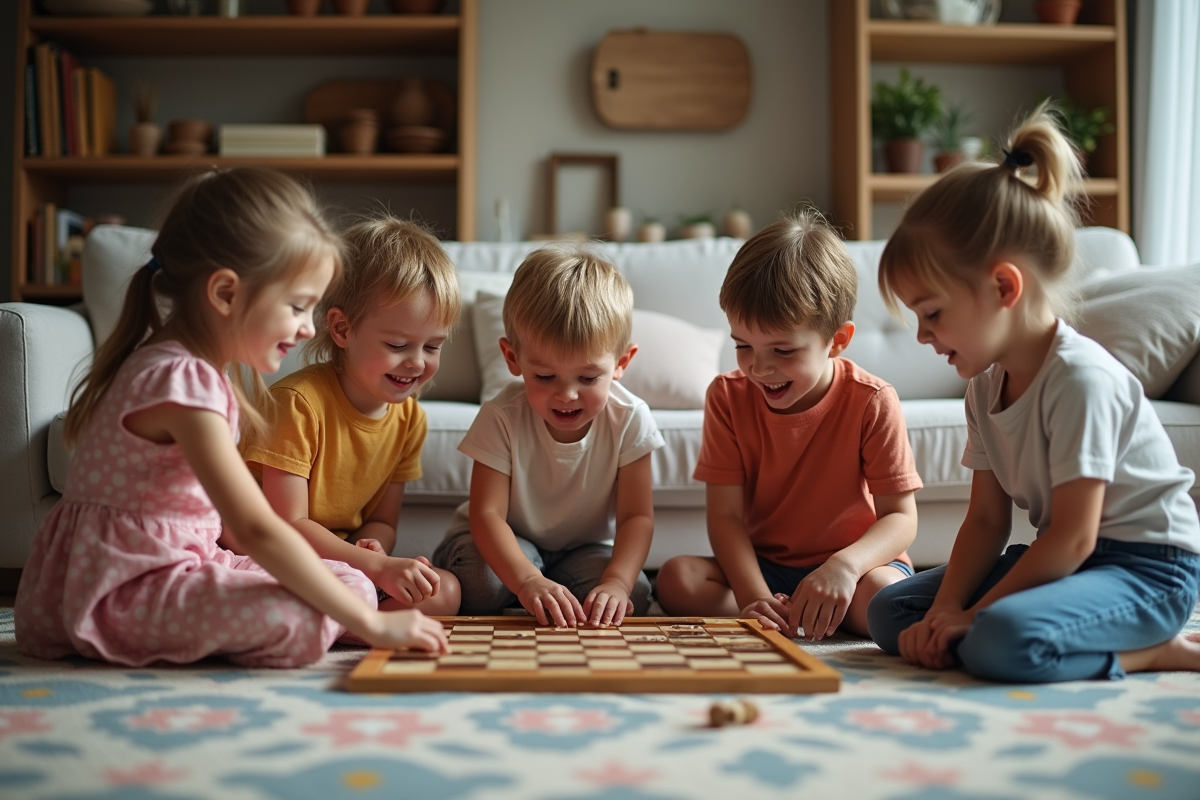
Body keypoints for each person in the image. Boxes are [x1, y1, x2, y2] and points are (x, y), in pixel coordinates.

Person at [14, 168, 448, 668]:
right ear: (225, 294)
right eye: (297, 307)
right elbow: (257, 529)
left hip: (180, 560)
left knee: (348, 581)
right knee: (303, 614)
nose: (308, 329)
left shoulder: (193, 369)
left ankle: (329, 612)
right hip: (125, 588)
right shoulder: (181, 381)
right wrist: (374, 626)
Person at [866, 106, 1200, 682]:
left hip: (1149, 570)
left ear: (1003, 286)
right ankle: (1001, 624)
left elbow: (1072, 538)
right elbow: (987, 522)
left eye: (933, 313)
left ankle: (1155, 650)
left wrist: (973, 616)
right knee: (891, 611)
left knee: (999, 640)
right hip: (1075, 565)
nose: (922, 335)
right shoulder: (984, 387)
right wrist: (949, 607)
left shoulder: (1080, 380)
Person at [655, 210, 922, 641]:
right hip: (767, 567)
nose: (760, 368)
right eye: (743, 345)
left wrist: (844, 566)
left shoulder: (872, 401)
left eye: (782, 350)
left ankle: (813, 610)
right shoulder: (726, 396)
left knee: (881, 600)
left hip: (855, 564)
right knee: (676, 579)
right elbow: (724, 517)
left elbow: (900, 518)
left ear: (837, 340)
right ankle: (783, 614)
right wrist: (752, 596)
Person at [432, 244, 665, 627]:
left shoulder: (631, 418)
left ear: (621, 364)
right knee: (480, 583)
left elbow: (637, 516)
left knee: (633, 594)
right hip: (505, 541)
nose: (567, 394)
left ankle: (549, 592)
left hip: (583, 550)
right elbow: (487, 515)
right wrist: (526, 579)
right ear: (513, 359)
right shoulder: (501, 416)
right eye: (544, 376)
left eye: (588, 378)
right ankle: (538, 590)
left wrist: (617, 583)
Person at [242, 216, 461, 615]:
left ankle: (343, 616)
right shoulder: (297, 403)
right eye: (398, 344)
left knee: (444, 591)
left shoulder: (410, 420)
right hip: (278, 553)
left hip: (345, 564)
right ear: (342, 329)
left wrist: (375, 550)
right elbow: (286, 525)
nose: (416, 363)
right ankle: (343, 616)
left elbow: (383, 522)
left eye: (432, 347)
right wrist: (375, 566)